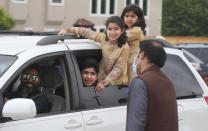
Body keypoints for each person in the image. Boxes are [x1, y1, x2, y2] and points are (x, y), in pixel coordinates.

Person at [58, 16, 129, 94]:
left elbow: (118, 69)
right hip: (101, 77)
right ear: (106, 30)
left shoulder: (124, 47)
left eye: (116, 29)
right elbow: (86, 32)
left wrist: (105, 82)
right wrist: (67, 30)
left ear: (122, 30)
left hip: (116, 84)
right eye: (110, 29)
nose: (112, 32)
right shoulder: (103, 38)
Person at [126, 40, 178, 131]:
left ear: (142, 54)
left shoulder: (140, 82)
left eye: (136, 56)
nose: (135, 60)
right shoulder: (168, 82)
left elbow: (135, 124)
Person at [121, 4, 146, 83]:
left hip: (134, 65)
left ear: (138, 19)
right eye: (127, 16)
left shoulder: (137, 30)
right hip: (125, 65)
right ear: (123, 18)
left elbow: (120, 37)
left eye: (132, 16)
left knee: (133, 86)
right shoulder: (125, 29)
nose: (129, 19)